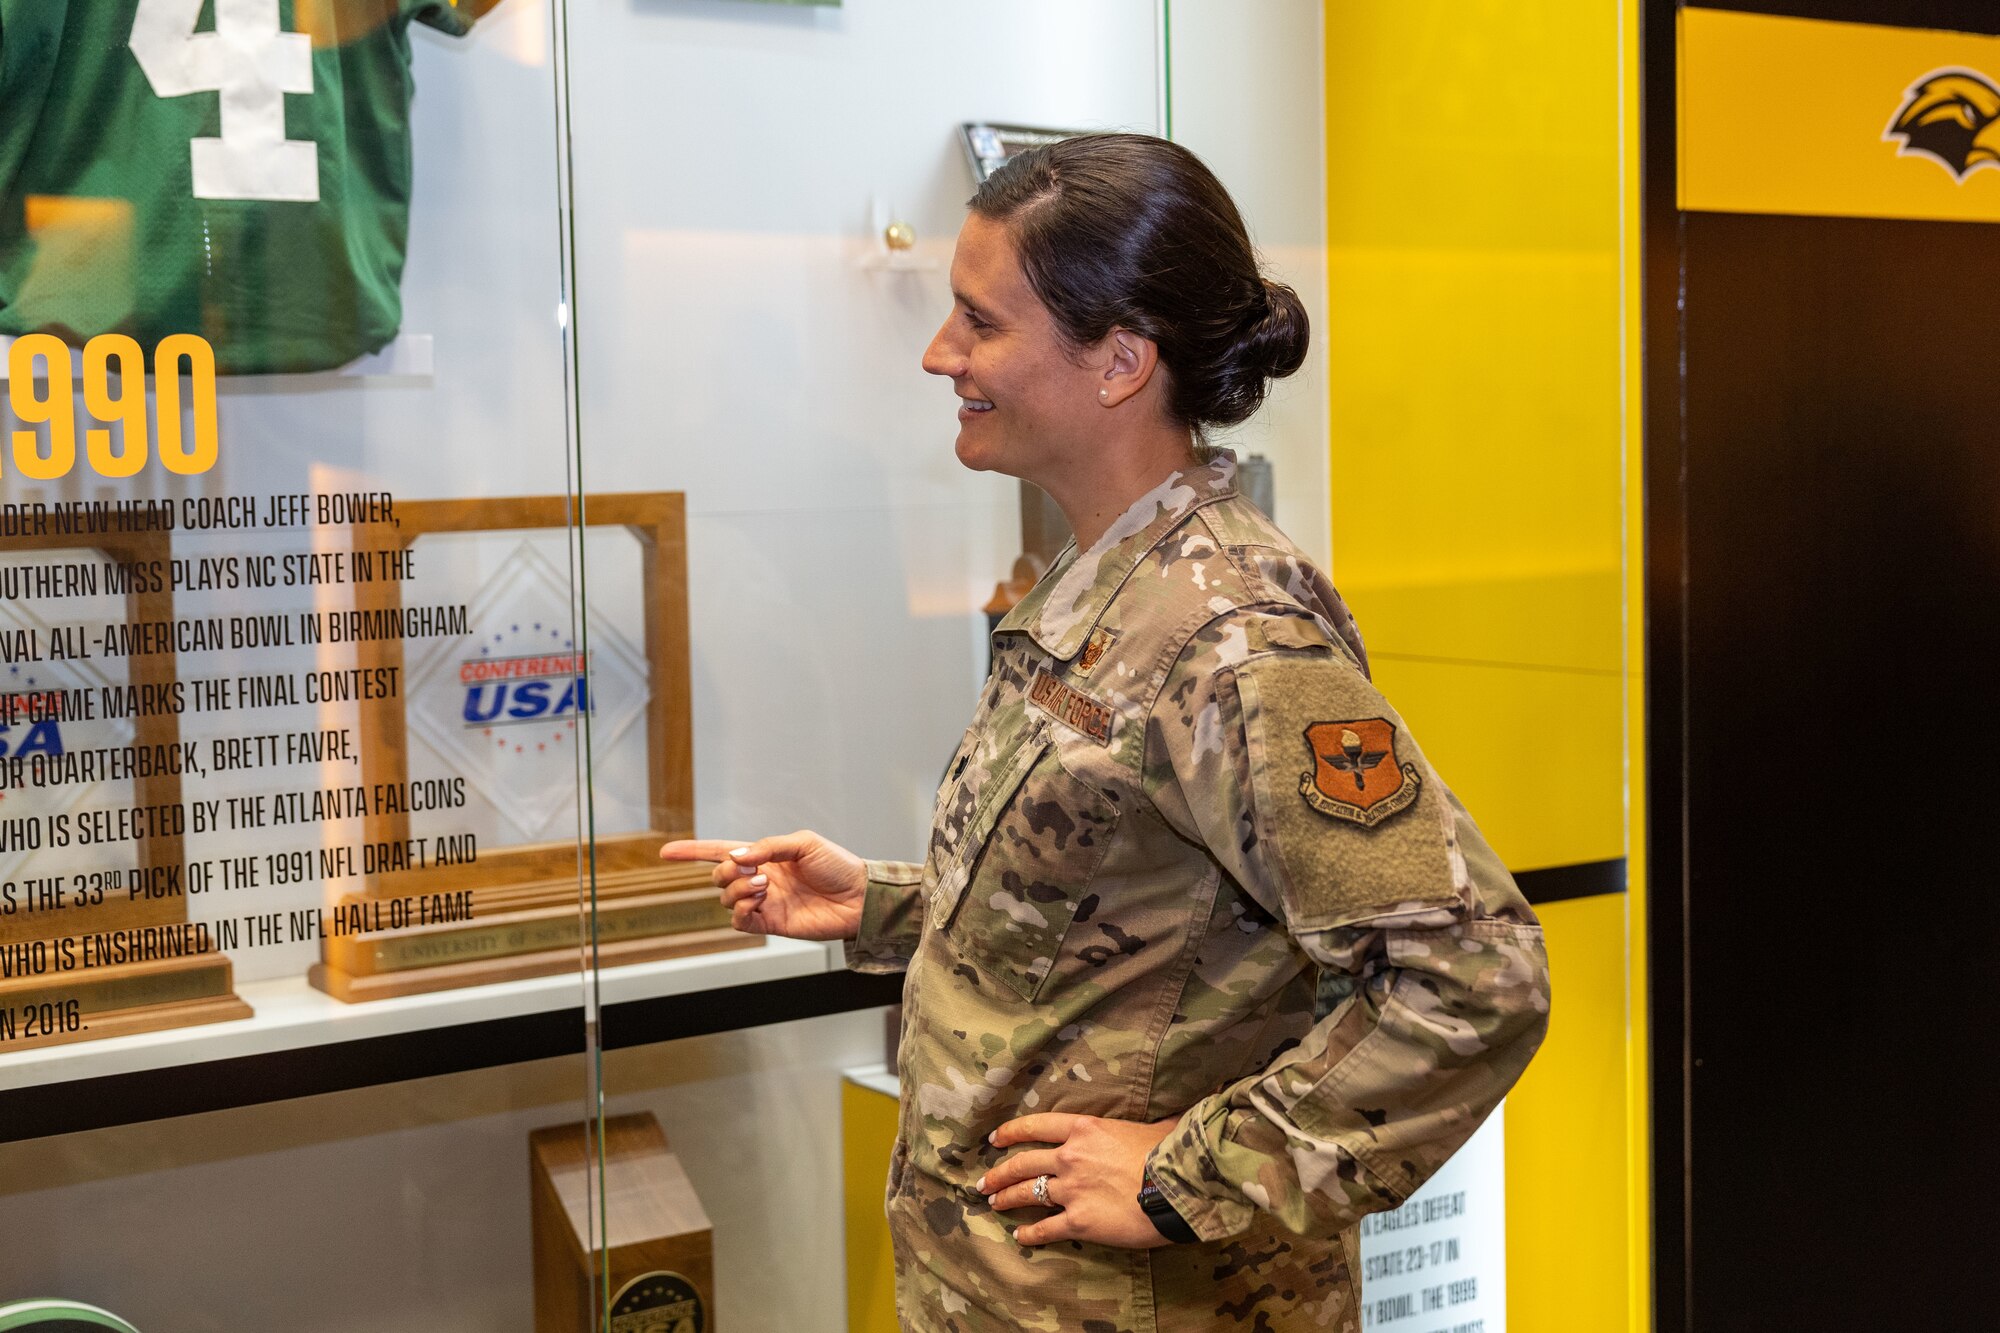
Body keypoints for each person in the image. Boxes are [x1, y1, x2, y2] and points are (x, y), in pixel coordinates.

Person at [662, 133, 1550, 1333]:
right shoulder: (1108, 589)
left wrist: (1186, 1174)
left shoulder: (1234, 635)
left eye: (980, 323)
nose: (941, 356)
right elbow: (1139, 929)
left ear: (1120, 360)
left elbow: (1472, 981)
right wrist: (877, 904)